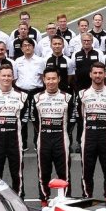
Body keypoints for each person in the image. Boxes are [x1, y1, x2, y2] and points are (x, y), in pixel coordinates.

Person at [73, 63, 106, 200]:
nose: (97, 75)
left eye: (100, 73)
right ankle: (87, 198)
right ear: (90, 74)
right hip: (88, 138)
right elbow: (79, 116)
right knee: (87, 171)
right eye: (95, 73)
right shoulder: (82, 94)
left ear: (105, 74)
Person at [0, 64, 27, 196]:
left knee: (17, 175)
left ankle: (20, 201)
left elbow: (24, 118)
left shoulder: (22, 96)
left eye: (9, 75)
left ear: (13, 77)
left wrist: (13, 128)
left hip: (15, 141)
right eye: (3, 75)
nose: (6, 78)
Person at [33, 68, 72, 202]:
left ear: (59, 79)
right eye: (48, 79)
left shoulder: (67, 97)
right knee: (44, 172)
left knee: (64, 173)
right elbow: (34, 119)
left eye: (53, 78)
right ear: (44, 80)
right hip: (43, 139)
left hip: (61, 138)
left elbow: (72, 119)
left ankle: (65, 202)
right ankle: (44, 201)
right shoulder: (36, 98)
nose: (51, 82)